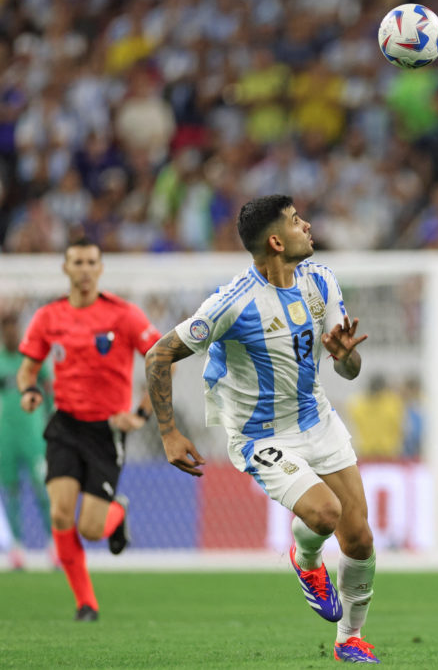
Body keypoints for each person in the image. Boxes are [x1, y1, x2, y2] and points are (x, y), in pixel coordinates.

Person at [144, 194, 381, 664]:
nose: (308, 225)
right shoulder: (231, 303)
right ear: (276, 240)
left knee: (360, 538)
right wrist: (169, 432)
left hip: (317, 418)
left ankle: (350, 640)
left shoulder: (322, 281)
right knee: (325, 514)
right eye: (296, 221)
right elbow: (158, 355)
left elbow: (349, 370)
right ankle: (306, 559)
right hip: (261, 435)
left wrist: (346, 355)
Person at [16, 238, 158, 620]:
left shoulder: (124, 315)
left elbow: (165, 362)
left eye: (90, 262)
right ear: (65, 268)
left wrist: (142, 414)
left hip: (106, 431)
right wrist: (29, 391)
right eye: (76, 262)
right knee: (60, 516)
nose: (83, 269)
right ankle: (86, 603)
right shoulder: (49, 317)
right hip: (64, 425)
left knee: (91, 528)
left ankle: (117, 514)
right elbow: (27, 369)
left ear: (100, 269)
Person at [1, 312, 53, 570]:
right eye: (6, 327)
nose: (11, 332)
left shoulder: (33, 360)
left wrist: (53, 420)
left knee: (43, 490)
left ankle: (54, 544)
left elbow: (50, 389)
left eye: (14, 326)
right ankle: (17, 547)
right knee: (11, 491)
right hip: (5, 437)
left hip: (33, 436)